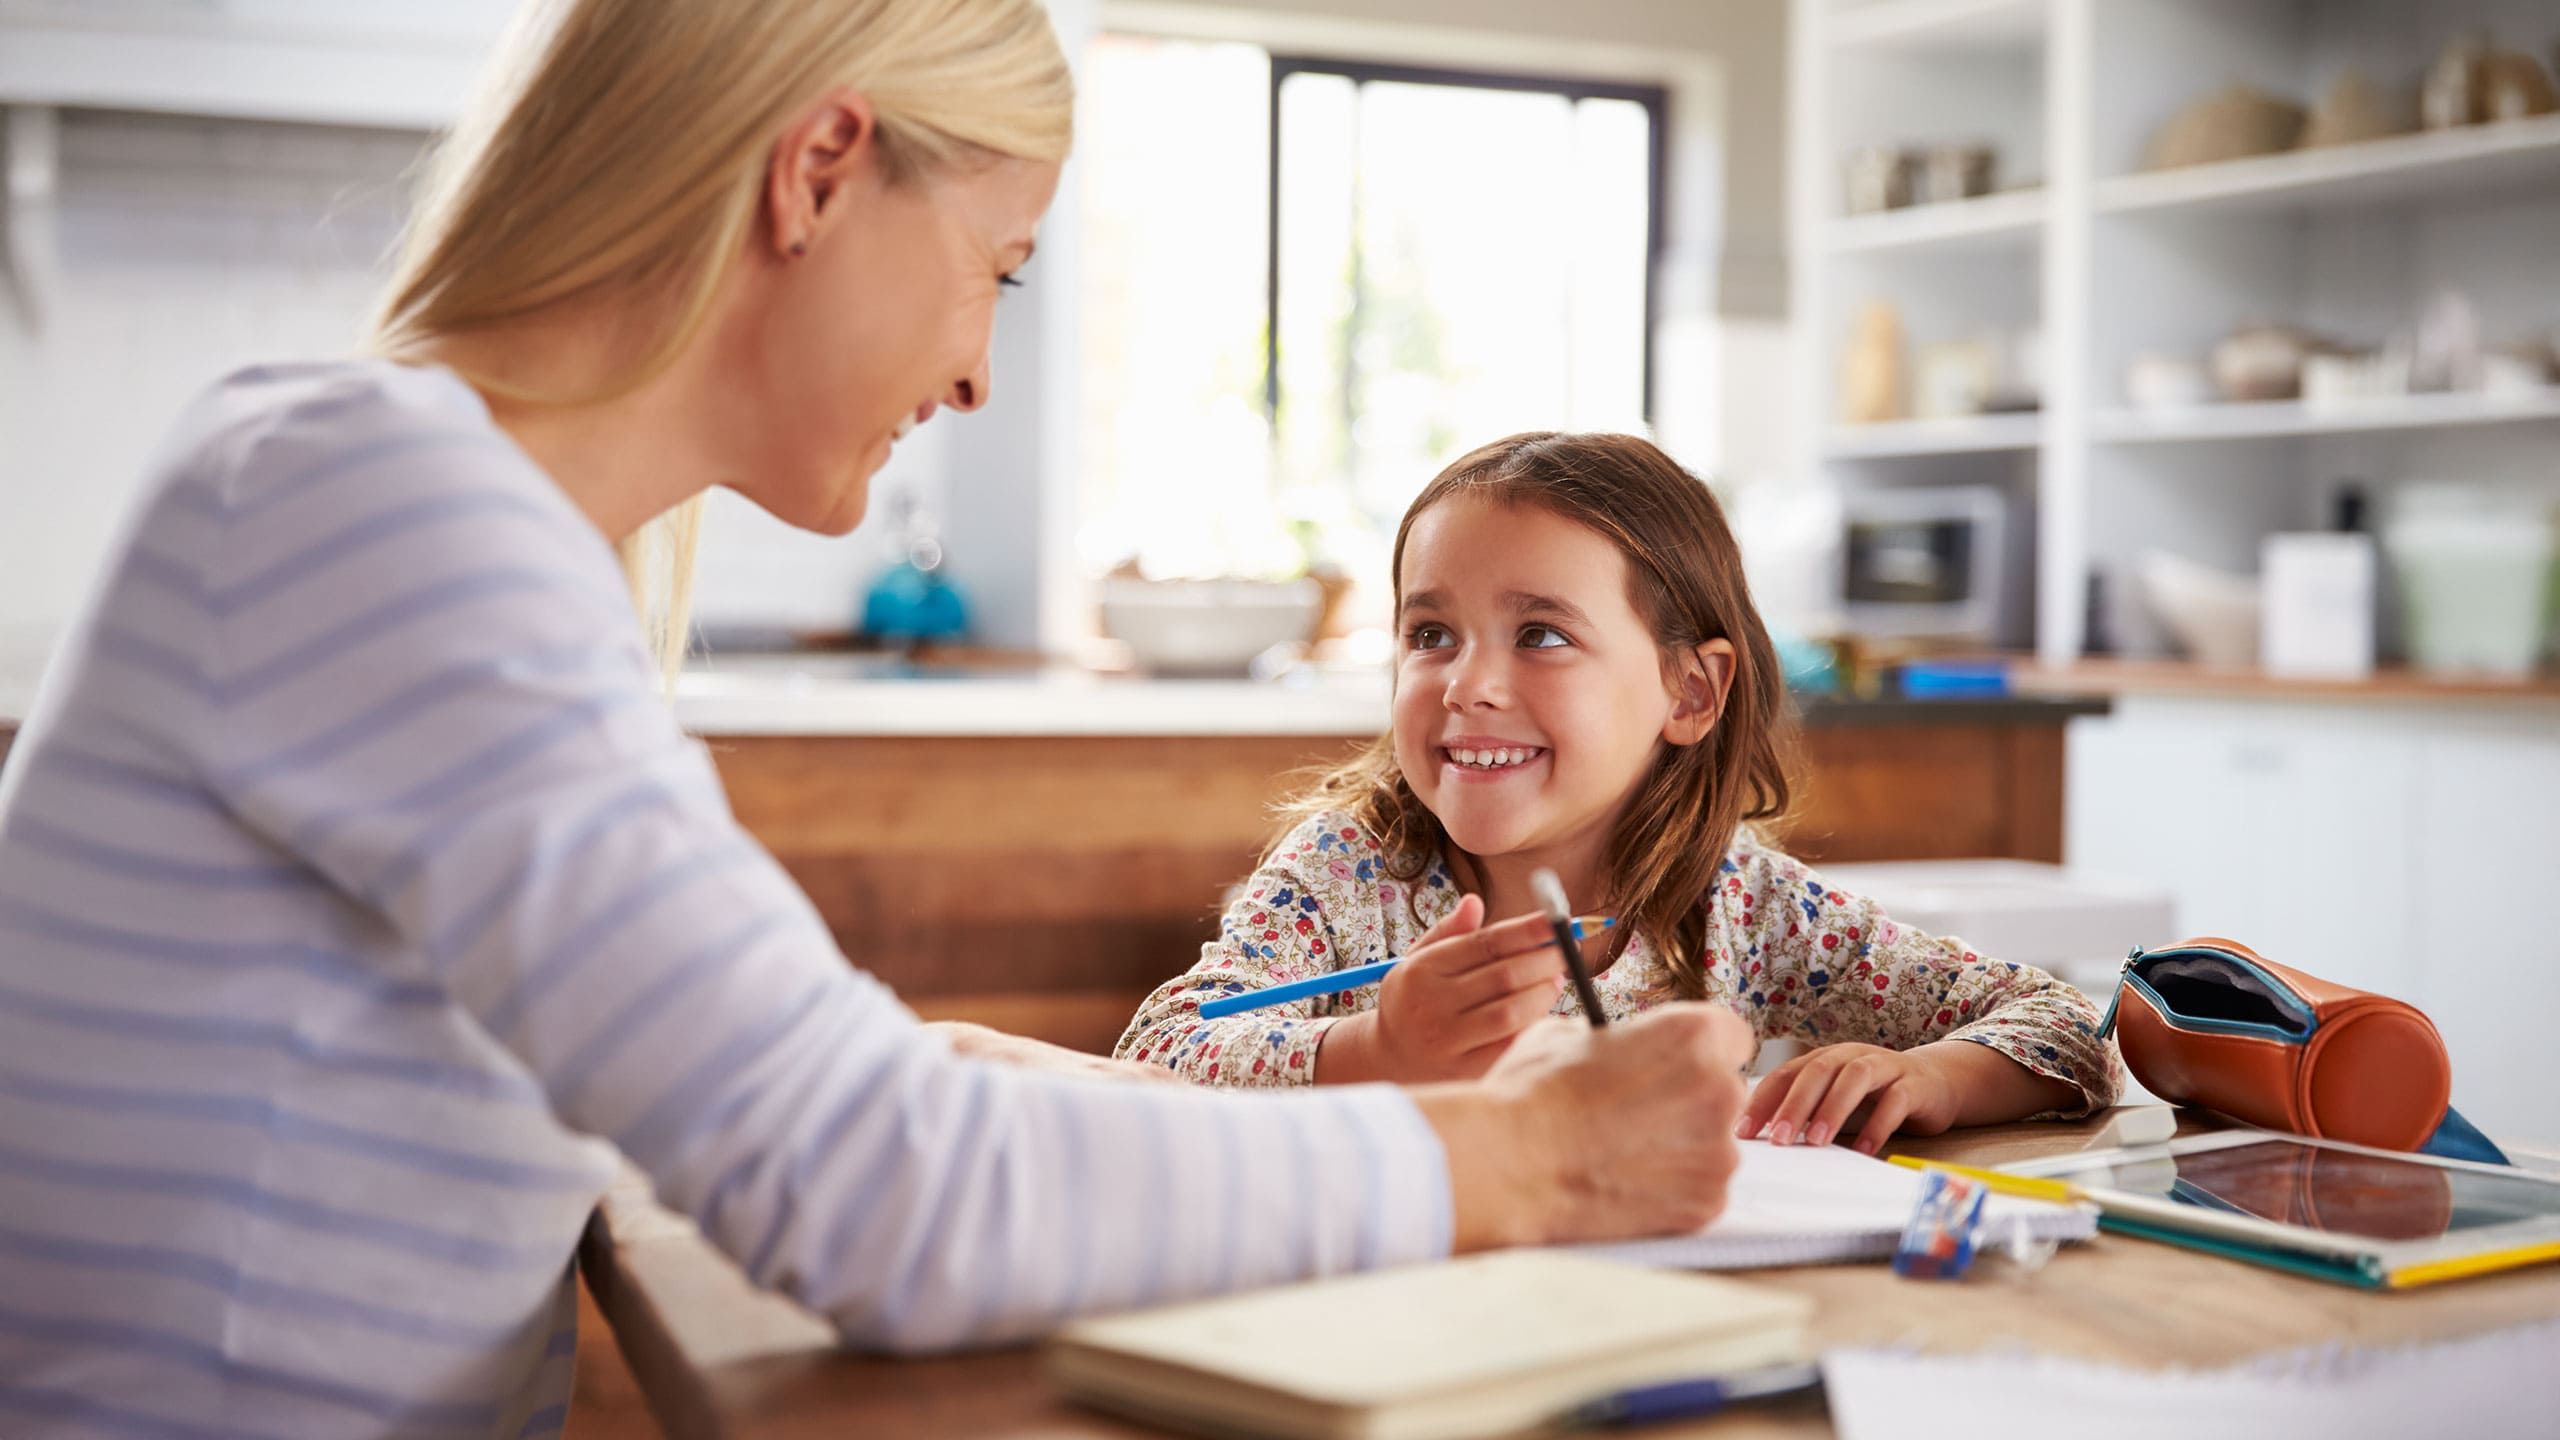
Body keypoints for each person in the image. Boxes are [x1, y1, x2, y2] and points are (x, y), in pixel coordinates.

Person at [0, 5, 1756, 1436]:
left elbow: (885, 1089)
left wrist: (1368, 1106)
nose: (981, 368)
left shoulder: (431, 513)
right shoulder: (381, 510)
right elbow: (873, 1190)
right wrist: (1524, 1162)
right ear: (822, 169)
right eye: (997, 265)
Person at [1116, 431, 2120, 1152]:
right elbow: (1153, 1054)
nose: (1466, 684)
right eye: (1430, 635)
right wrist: (1377, 1047)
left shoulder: (1739, 905)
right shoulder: (1350, 872)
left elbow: (2065, 1024)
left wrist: (1930, 1075)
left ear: (1689, 692)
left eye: (1541, 635)